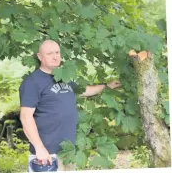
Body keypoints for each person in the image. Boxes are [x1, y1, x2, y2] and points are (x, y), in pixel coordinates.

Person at [19, 40, 121, 172]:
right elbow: (26, 117)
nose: (55, 56)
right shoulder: (32, 82)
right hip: (47, 154)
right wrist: (39, 148)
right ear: (40, 57)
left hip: (68, 151)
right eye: (49, 53)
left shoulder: (63, 77)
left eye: (57, 52)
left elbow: (84, 90)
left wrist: (107, 86)